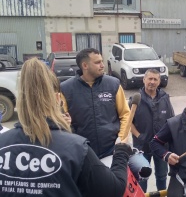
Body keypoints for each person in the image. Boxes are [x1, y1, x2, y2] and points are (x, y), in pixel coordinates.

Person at [0, 58, 134, 197]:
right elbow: (113, 190)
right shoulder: (76, 148)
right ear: (58, 99)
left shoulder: (2, 143)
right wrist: (121, 152)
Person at [60, 48, 131, 159]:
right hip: (83, 153)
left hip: (111, 150)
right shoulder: (66, 89)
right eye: (98, 62)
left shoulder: (113, 84)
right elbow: (62, 121)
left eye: (102, 61)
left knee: (139, 166)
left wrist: (121, 139)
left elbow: (125, 114)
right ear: (85, 65)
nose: (102, 65)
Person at [130, 68, 175, 192]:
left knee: (162, 176)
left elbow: (171, 120)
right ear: (144, 80)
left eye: (155, 79)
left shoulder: (165, 98)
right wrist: (139, 136)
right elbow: (128, 123)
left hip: (161, 146)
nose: (152, 82)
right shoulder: (136, 99)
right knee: (142, 177)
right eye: (150, 78)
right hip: (142, 146)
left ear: (159, 82)